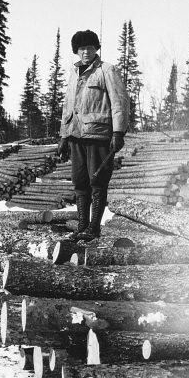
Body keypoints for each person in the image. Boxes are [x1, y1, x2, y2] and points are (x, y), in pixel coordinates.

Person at [56, 30, 129, 241]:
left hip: (98, 135)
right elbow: (68, 106)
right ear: (76, 52)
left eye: (89, 48)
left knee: (97, 180)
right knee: (80, 182)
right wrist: (63, 136)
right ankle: (82, 226)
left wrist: (118, 132)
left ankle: (94, 228)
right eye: (81, 49)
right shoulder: (75, 74)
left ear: (96, 49)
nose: (85, 52)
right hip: (76, 136)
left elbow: (119, 103)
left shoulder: (107, 70)